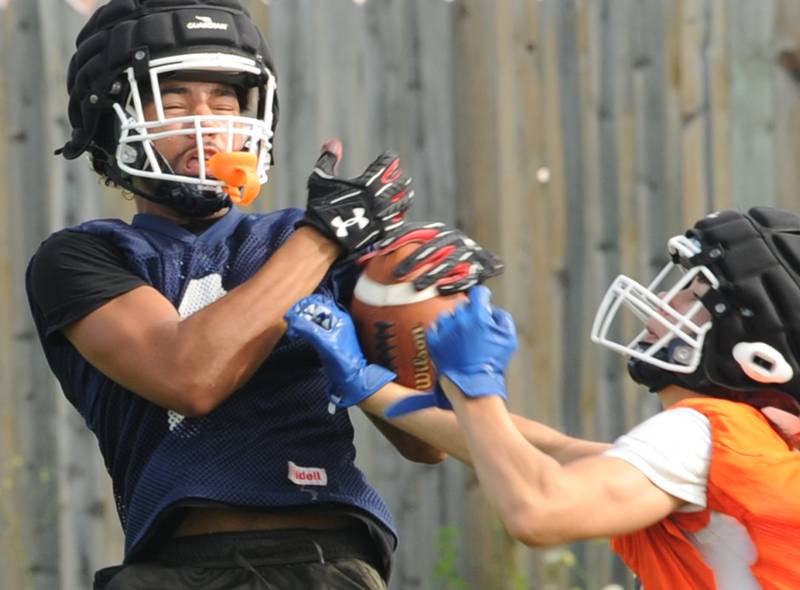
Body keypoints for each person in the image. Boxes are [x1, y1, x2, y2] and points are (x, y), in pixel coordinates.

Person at [25, 1, 503, 588]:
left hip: (334, 561)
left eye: (225, 100)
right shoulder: (83, 256)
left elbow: (422, 443)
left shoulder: (311, 242)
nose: (208, 119)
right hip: (175, 567)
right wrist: (321, 239)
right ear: (112, 121)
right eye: (174, 101)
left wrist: (421, 306)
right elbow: (191, 376)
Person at [285, 207, 800, 589]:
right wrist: (368, 386)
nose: (666, 301)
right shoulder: (752, 449)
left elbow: (538, 509)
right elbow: (550, 449)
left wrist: (475, 380)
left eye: (693, 293)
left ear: (757, 357)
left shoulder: (705, 431)